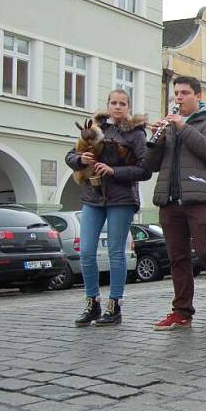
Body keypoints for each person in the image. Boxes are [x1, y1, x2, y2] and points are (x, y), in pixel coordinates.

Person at [146, 76, 206, 331]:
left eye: (184, 93)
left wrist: (183, 127)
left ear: (198, 95)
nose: (179, 97)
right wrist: (156, 139)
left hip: (200, 197)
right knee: (178, 257)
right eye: (176, 93)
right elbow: (150, 165)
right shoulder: (169, 126)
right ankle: (182, 310)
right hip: (170, 198)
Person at [66, 89, 151, 327]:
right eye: (113, 102)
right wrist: (80, 160)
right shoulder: (96, 128)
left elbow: (145, 170)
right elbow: (71, 155)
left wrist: (115, 171)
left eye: (122, 103)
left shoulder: (136, 134)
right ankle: (92, 303)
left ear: (129, 107)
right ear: (107, 105)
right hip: (93, 196)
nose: (117, 107)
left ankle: (114, 306)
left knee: (116, 252)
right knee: (86, 251)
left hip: (121, 197)